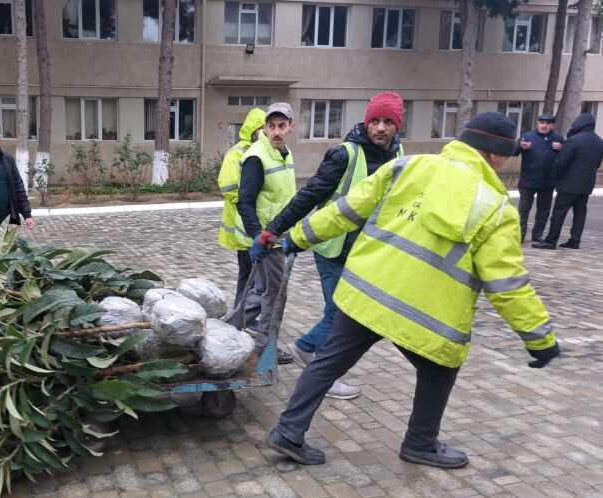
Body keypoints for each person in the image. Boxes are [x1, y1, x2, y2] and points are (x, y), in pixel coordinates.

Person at [266, 112, 560, 470]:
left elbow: (344, 211)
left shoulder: (406, 167)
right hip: (424, 314)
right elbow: (507, 285)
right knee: (438, 372)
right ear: (493, 156)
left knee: (327, 363)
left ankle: (288, 431)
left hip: (367, 293)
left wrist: (294, 239)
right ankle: (420, 443)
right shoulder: (495, 208)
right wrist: (539, 339)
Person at [255, 91, 406, 400]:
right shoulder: (344, 154)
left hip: (368, 250)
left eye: (387, 122)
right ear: (366, 122)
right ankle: (318, 363)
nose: (380, 127)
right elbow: (308, 196)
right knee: (338, 314)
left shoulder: (398, 154)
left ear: (397, 125)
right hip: (334, 248)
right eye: (374, 120)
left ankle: (311, 352)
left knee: (351, 313)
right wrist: (273, 230)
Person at [238, 103, 298, 365]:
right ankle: (265, 347)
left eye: (281, 126)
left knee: (259, 291)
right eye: (271, 126)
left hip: (279, 237)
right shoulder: (257, 157)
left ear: (291, 128)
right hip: (266, 239)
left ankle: (227, 329)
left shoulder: (285, 153)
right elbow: (244, 201)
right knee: (275, 294)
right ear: (264, 127)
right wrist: (256, 235)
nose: (276, 132)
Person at [217, 107, 266, 326]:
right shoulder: (238, 153)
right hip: (242, 222)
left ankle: (242, 313)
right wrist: (248, 199)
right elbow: (227, 186)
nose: (266, 131)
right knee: (251, 274)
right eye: (263, 127)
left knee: (249, 274)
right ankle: (246, 316)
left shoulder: (262, 150)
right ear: (254, 129)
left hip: (253, 223)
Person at [532, 112, 603, 250]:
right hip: (586, 184)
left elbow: (561, 162)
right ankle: (575, 240)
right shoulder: (599, 141)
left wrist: (554, 176)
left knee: (559, 212)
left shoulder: (573, 140)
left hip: (568, 184)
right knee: (580, 213)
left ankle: (551, 241)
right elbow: (597, 163)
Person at [514, 113, 563, 243]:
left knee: (543, 211)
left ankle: (537, 235)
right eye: (542, 122)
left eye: (547, 123)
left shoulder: (558, 139)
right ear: (538, 123)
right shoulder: (527, 137)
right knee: (523, 210)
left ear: (552, 125)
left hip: (547, 182)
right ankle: (519, 235)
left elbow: (566, 157)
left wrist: (561, 148)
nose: (544, 125)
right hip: (527, 181)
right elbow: (514, 152)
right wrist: (520, 146)